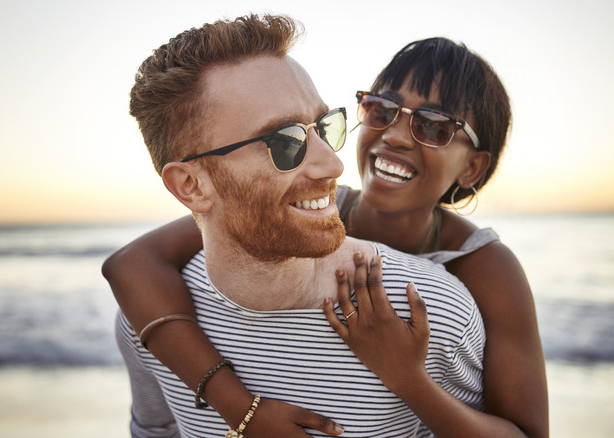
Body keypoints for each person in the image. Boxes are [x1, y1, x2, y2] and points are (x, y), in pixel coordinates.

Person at [105, 26, 549, 436]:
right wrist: (237, 406)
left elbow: (525, 428)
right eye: (383, 109)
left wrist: (405, 377)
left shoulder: (480, 271)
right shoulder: (313, 208)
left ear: (472, 167)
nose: (395, 135)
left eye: (433, 126)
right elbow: (132, 264)